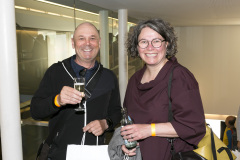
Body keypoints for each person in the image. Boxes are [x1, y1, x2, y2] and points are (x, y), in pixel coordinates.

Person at [30, 22, 122, 160]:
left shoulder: (109, 76)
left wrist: (105, 123)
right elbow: (35, 111)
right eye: (81, 38)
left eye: (92, 38)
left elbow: (116, 112)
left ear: (99, 42)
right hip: (59, 155)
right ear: (73, 43)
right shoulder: (56, 71)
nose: (87, 43)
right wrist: (57, 100)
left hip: (94, 154)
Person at [120, 18, 206, 160]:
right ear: (136, 47)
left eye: (156, 41)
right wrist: (127, 143)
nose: (150, 47)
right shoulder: (134, 80)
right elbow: (128, 121)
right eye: (143, 42)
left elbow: (193, 126)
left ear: (167, 44)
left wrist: (148, 130)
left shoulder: (180, 77)